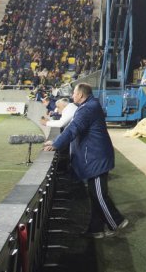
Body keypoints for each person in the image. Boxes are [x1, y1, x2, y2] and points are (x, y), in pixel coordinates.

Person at [44, 83, 129, 238]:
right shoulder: (89, 106)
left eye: (74, 93)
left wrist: (56, 144)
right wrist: (56, 141)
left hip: (96, 158)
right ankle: (96, 229)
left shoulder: (87, 109)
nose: (72, 96)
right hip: (95, 156)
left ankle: (117, 222)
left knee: (98, 195)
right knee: (95, 193)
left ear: (81, 95)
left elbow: (73, 129)